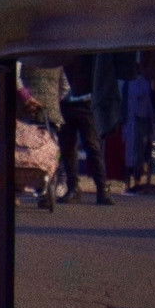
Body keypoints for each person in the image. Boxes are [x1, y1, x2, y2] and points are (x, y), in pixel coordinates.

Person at [56, 54, 113, 205]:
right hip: (64, 102)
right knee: (67, 147)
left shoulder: (87, 49)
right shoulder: (61, 50)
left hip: (86, 102)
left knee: (92, 145)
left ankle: (102, 189)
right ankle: (73, 187)